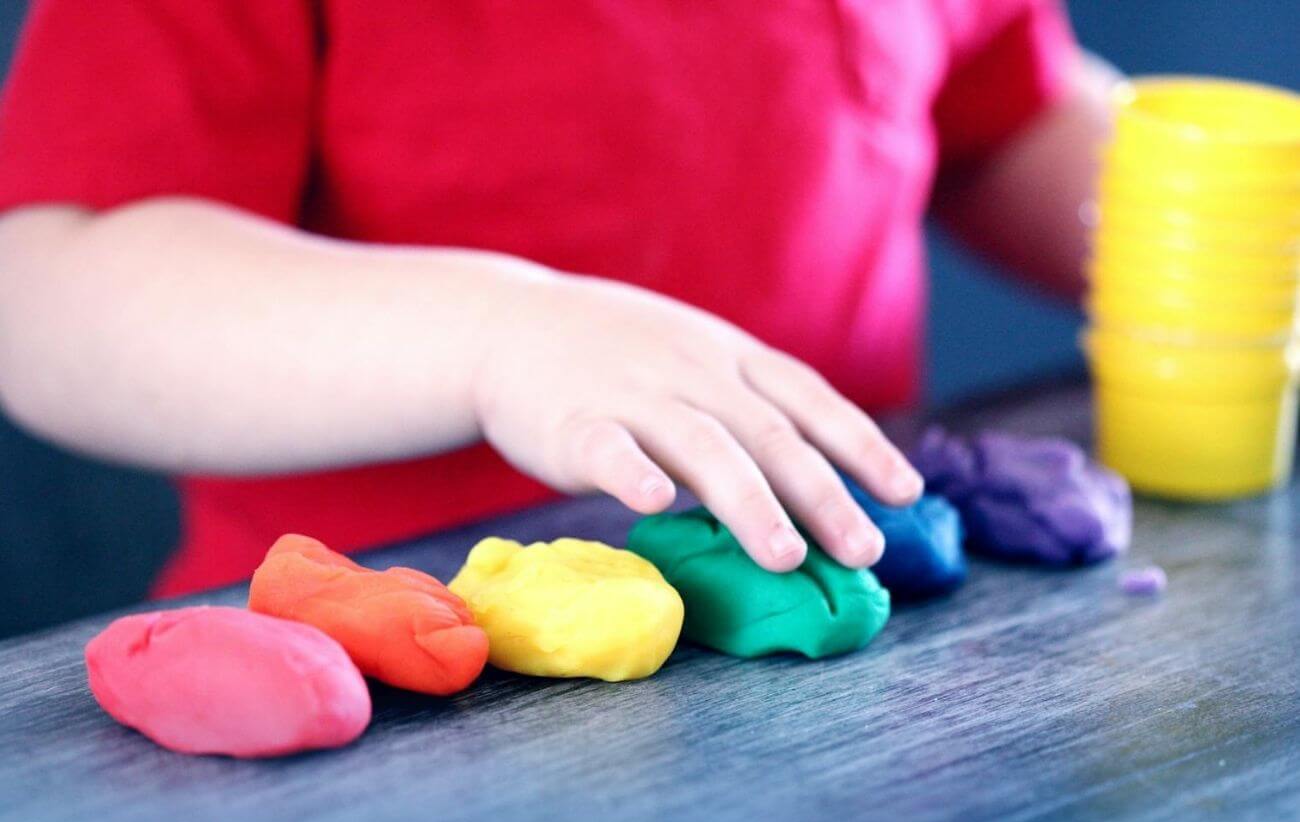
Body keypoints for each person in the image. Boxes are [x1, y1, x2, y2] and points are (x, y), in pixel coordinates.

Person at [0, 0, 1112, 595]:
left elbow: (1000, 121)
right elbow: (52, 287)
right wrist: (495, 340)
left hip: (835, 621)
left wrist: (1195, 214)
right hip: (382, 679)